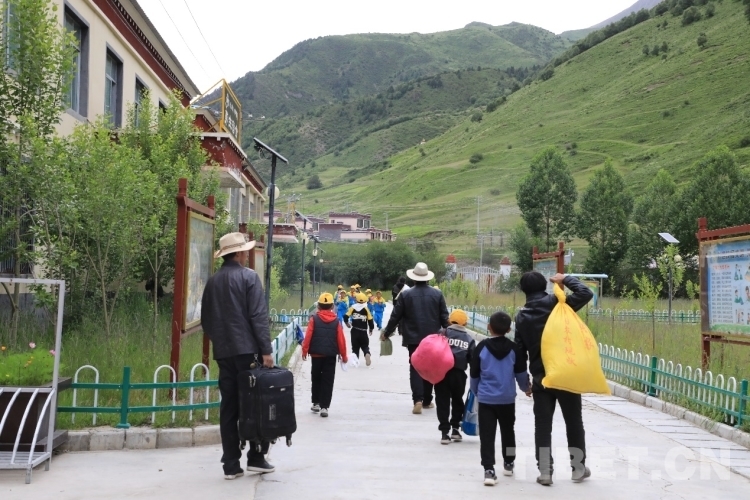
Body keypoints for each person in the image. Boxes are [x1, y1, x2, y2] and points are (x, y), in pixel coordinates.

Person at [201, 233, 275, 480]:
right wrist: (266, 350)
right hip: (248, 353)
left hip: (224, 353)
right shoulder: (249, 277)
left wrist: (221, 342)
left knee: (229, 407)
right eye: (245, 250)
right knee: (254, 404)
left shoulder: (213, 282)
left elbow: (207, 319)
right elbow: (257, 316)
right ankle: (256, 457)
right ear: (240, 253)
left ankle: (231, 465)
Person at [514, 272, 593, 486]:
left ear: (524, 290)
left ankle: (545, 472)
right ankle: (578, 468)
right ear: (544, 286)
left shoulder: (521, 317)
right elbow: (586, 293)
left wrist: (525, 382)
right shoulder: (558, 303)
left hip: (541, 378)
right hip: (566, 374)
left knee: (542, 425)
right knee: (573, 422)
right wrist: (565, 279)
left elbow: (520, 353)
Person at [470, 311, 530, 486]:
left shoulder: (481, 348)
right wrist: (526, 388)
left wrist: (476, 392)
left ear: (489, 327)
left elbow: (474, 374)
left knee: (487, 435)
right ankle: (509, 462)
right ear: (509, 329)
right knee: (508, 430)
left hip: (486, 399)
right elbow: (521, 373)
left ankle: (489, 470)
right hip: (507, 399)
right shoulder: (514, 349)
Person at [381, 262, 449, 414]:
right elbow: (445, 318)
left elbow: (395, 316)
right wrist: (451, 334)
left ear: (413, 278)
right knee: (429, 367)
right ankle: (427, 400)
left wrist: (387, 332)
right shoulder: (437, 294)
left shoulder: (406, 295)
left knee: (415, 366)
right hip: (433, 338)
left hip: (413, 338)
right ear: (428, 278)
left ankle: (417, 400)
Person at [302, 293, 349, 418]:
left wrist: (304, 351)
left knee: (316, 378)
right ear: (332, 306)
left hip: (316, 355)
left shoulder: (314, 319)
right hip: (330, 356)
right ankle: (324, 407)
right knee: (328, 380)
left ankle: (316, 403)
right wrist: (344, 356)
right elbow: (341, 340)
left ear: (318, 306)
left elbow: (308, 336)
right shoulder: (336, 322)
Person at [435, 309, 475, 445]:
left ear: (449, 321)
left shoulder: (442, 333)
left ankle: (444, 432)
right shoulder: (469, 338)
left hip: (441, 373)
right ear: (465, 324)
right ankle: (456, 429)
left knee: (442, 401)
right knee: (458, 400)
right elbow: (473, 359)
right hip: (458, 374)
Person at [344, 292, 375, 366]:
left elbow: (346, 316)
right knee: (365, 345)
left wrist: (347, 323)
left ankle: (355, 360)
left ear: (356, 299)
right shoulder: (366, 309)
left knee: (355, 347)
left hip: (354, 330)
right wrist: (371, 329)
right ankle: (366, 353)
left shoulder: (353, 307)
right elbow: (370, 319)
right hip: (363, 331)